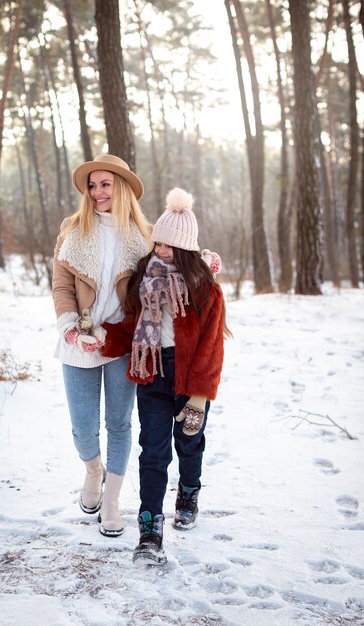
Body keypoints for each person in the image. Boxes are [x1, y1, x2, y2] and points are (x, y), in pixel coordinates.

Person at [102, 187, 231, 564]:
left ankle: (189, 491)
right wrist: (102, 336)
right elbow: (130, 329)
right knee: (153, 451)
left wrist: (199, 397)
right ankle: (150, 529)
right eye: (157, 243)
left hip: (190, 377)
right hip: (153, 372)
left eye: (169, 247)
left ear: (187, 250)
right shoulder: (145, 280)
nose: (160, 251)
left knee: (189, 442)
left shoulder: (205, 289)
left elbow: (211, 348)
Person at [52, 153, 152, 537]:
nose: (97, 192)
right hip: (80, 338)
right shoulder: (73, 229)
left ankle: (112, 500)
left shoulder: (143, 235)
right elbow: (62, 286)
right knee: (83, 427)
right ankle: (93, 470)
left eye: (105, 184)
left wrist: (205, 260)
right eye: (92, 185)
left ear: (121, 187)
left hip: (122, 343)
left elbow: (180, 257)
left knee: (119, 423)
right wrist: (70, 328)